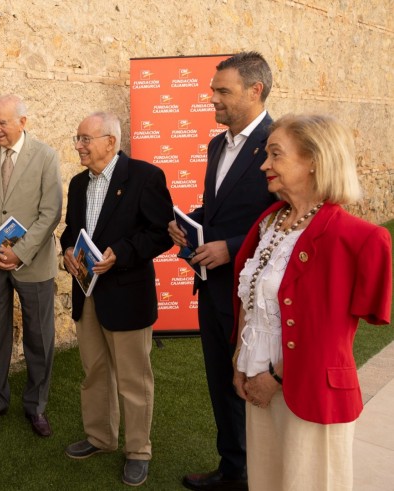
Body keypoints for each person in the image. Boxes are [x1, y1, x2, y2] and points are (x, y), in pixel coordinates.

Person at [231, 114, 391, 490]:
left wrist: (274, 378)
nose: (264, 165)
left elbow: (331, 335)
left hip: (312, 394)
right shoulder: (270, 222)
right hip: (257, 383)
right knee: (266, 481)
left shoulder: (357, 238)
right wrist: (240, 361)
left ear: (314, 160)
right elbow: (252, 300)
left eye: (275, 155)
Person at [168, 51, 277, 491]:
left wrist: (230, 248)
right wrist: (189, 223)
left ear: (256, 91)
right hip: (211, 288)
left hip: (251, 293)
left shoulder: (278, 141)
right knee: (220, 379)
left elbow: (282, 215)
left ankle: (263, 473)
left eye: (222, 91)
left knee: (251, 383)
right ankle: (234, 469)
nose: (211, 97)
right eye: (213, 89)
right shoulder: (217, 144)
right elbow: (222, 208)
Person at [61, 112, 174, 486]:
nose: (78, 145)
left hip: (126, 296)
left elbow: (161, 234)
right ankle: (100, 437)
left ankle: (138, 450)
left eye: (85, 139)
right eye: (77, 138)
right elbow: (70, 231)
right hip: (86, 294)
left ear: (110, 141)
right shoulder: (78, 184)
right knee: (94, 371)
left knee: (133, 379)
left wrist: (120, 253)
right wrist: (66, 251)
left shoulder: (145, 177)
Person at [0, 94, 62, 437]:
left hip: (33, 264)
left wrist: (20, 252)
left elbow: (51, 212)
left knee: (39, 335)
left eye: (2, 122)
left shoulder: (46, 156)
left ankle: (36, 406)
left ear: (23, 122)